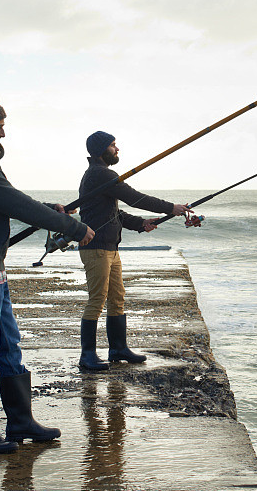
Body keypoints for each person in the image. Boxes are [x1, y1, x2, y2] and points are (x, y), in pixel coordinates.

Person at [0, 90, 95, 453]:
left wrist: (47, 207)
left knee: (9, 345)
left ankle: (20, 422)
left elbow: (4, 198)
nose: (3, 133)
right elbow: (13, 203)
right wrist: (72, 227)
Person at [77, 131, 190, 371]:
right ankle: (87, 355)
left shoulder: (98, 175)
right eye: (113, 146)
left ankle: (118, 348)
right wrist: (172, 207)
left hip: (109, 248)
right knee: (97, 300)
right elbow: (134, 198)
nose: (117, 150)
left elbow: (114, 214)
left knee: (117, 298)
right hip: (96, 248)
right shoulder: (100, 174)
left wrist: (140, 224)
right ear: (101, 150)